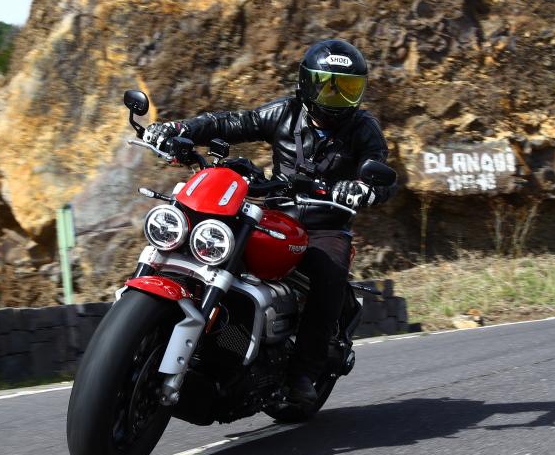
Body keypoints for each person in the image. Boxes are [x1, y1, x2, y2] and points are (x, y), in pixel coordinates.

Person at [143, 39, 393, 403]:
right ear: (307, 83)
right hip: (276, 212)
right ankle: (222, 339)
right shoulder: (284, 113)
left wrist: (363, 188)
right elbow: (231, 122)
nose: (334, 95)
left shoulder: (363, 127)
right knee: (214, 245)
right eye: (326, 83)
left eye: (347, 88)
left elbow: (381, 169)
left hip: (325, 224)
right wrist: (178, 129)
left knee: (329, 270)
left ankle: (304, 372)